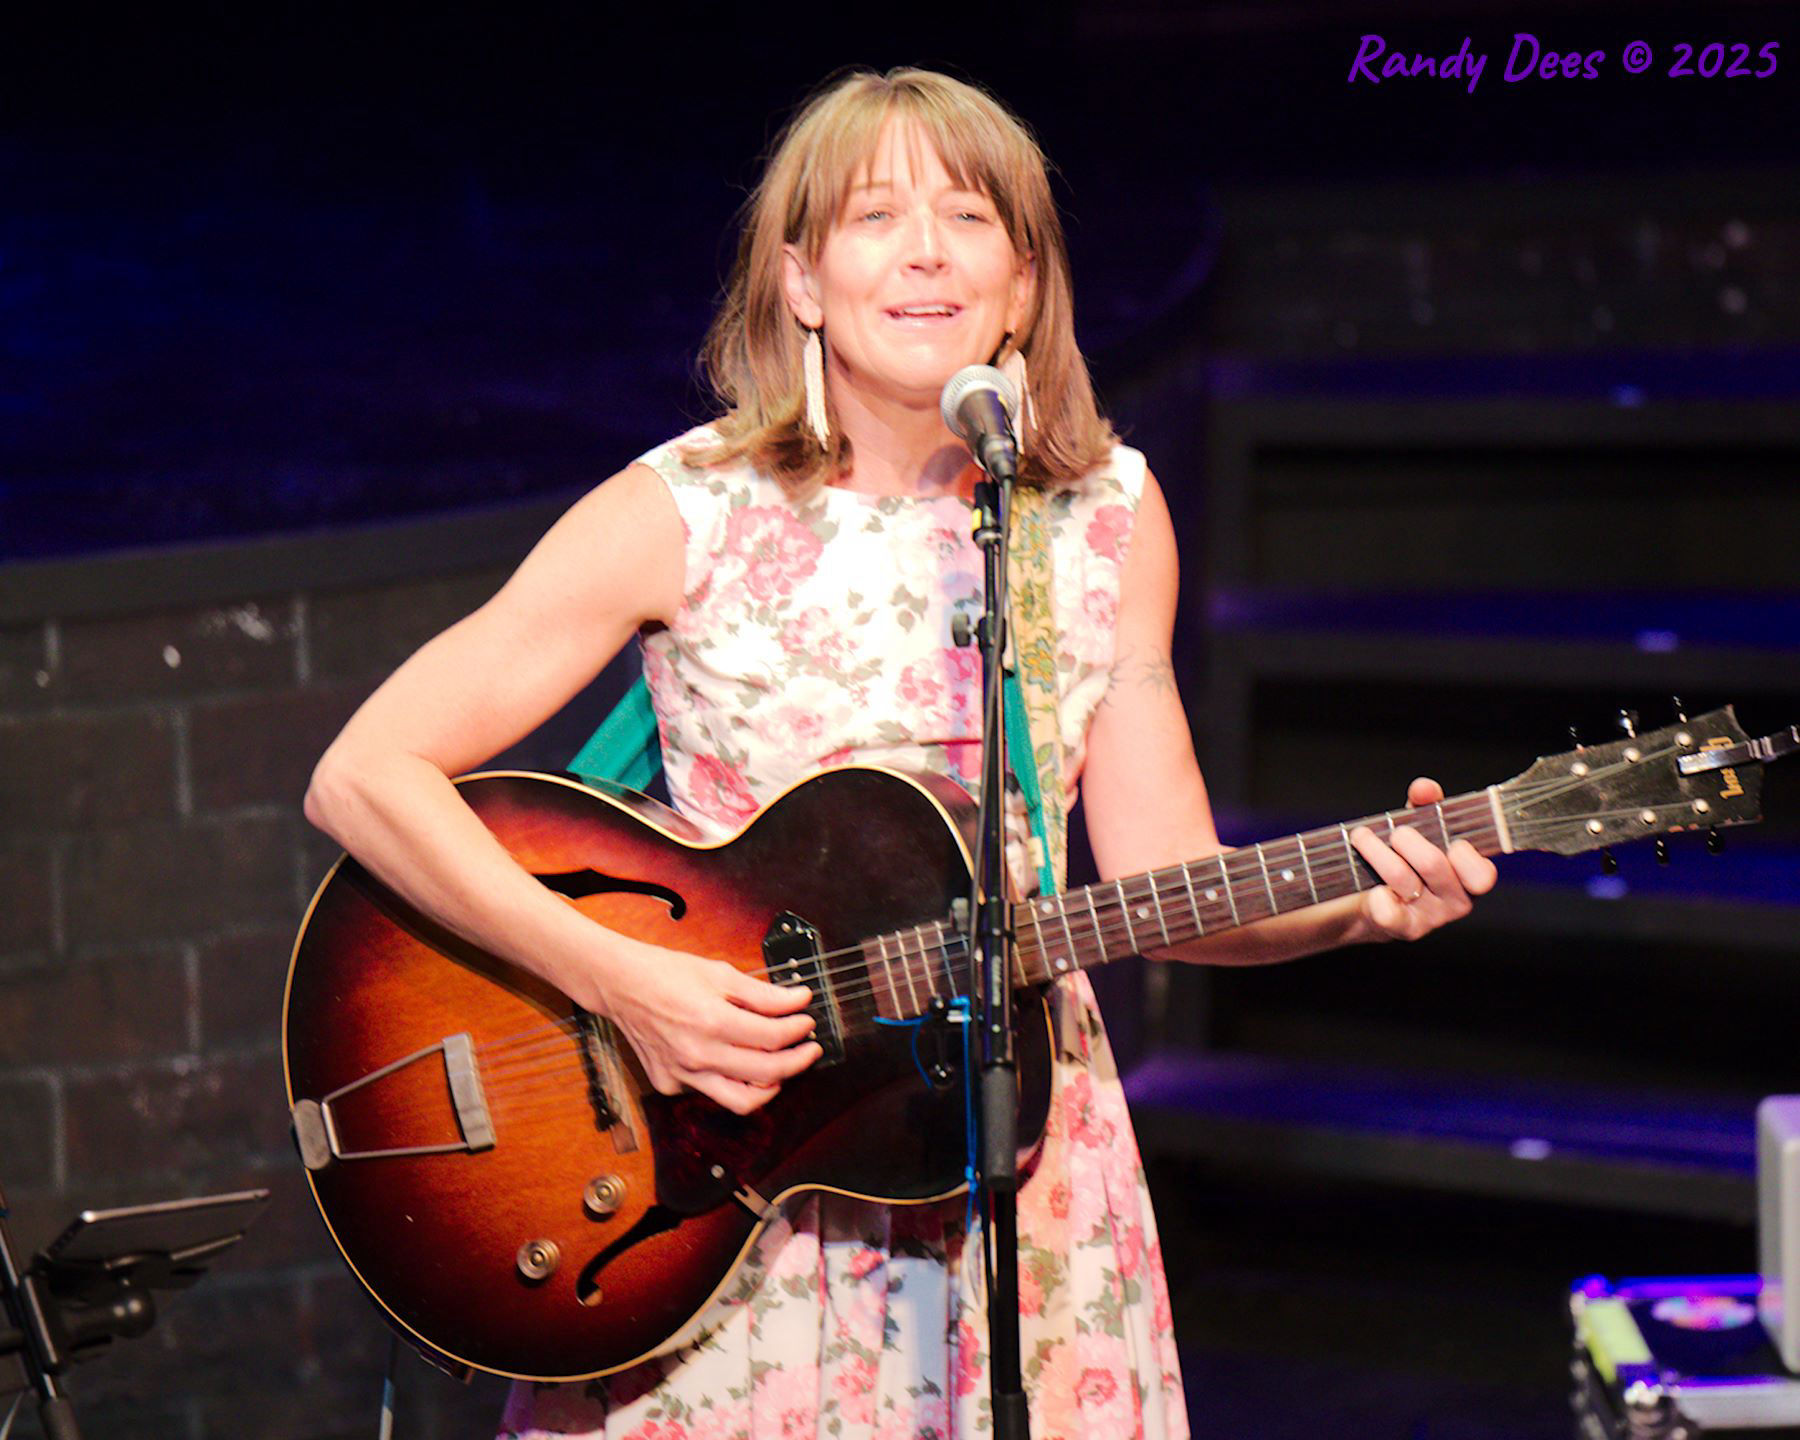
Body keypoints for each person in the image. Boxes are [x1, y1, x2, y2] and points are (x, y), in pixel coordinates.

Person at [303, 67, 1499, 1440]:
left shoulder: (1109, 514)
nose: (927, 249)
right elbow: (365, 772)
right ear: (804, 281)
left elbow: (1167, 881)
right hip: (719, 1183)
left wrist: (1357, 903)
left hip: (1013, 1172)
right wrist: (622, 982)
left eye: (970, 217)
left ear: (1025, 287)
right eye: (877, 216)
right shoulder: (680, 510)